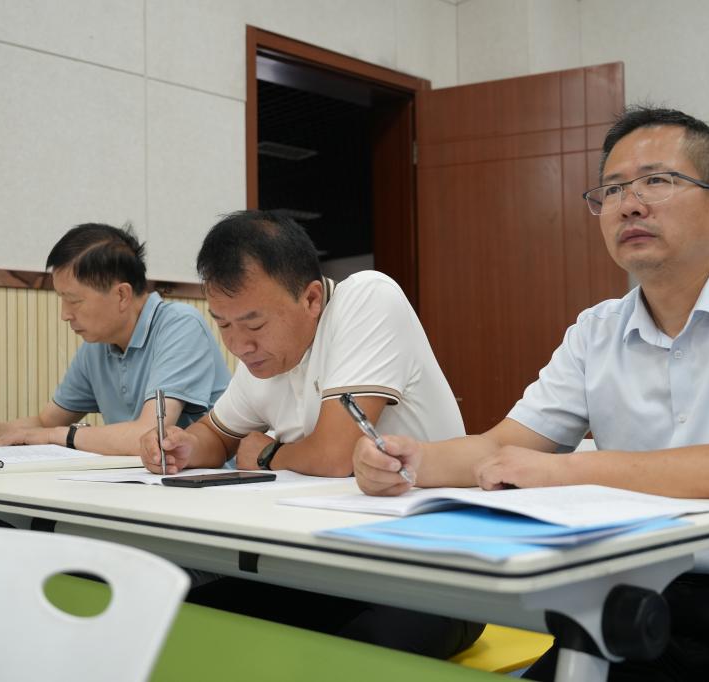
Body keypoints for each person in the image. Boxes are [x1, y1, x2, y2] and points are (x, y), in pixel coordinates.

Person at [353, 107, 709, 681]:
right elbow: (502, 447)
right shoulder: (596, 330)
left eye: (657, 181)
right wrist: (408, 459)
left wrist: (566, 471)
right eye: (611, 190)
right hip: (646, 603)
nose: (629, 204)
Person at [139, 209, 483, 658]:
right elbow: (216, 435)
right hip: (320, 563)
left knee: (350, 656)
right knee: (184, 622)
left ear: (312, 299)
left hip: (432, 572)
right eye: (223, 324)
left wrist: (266, 455)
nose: (239, 345)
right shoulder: (263, 360)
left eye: (254, 324)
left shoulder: (368, 298)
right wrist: (181, 445)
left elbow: (337, 455)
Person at [0, 223, 230, 455]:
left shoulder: (179, 325)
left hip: (206, 487)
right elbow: (45, 422)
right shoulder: (97, 347)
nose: (65, 314)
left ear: (122, 295)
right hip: (139, 483)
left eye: (74, 300)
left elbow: (151, 433)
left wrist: (58, 436)